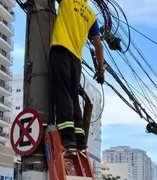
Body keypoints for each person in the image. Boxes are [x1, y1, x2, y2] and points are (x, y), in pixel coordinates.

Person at [49, 0, 105, 150]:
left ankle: (68, 137)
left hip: (61, 48)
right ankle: (80, 139)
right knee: (73, 97)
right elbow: (98, 45)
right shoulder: (90, 15)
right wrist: (100, 70)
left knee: (62, 92)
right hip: (76, 59)